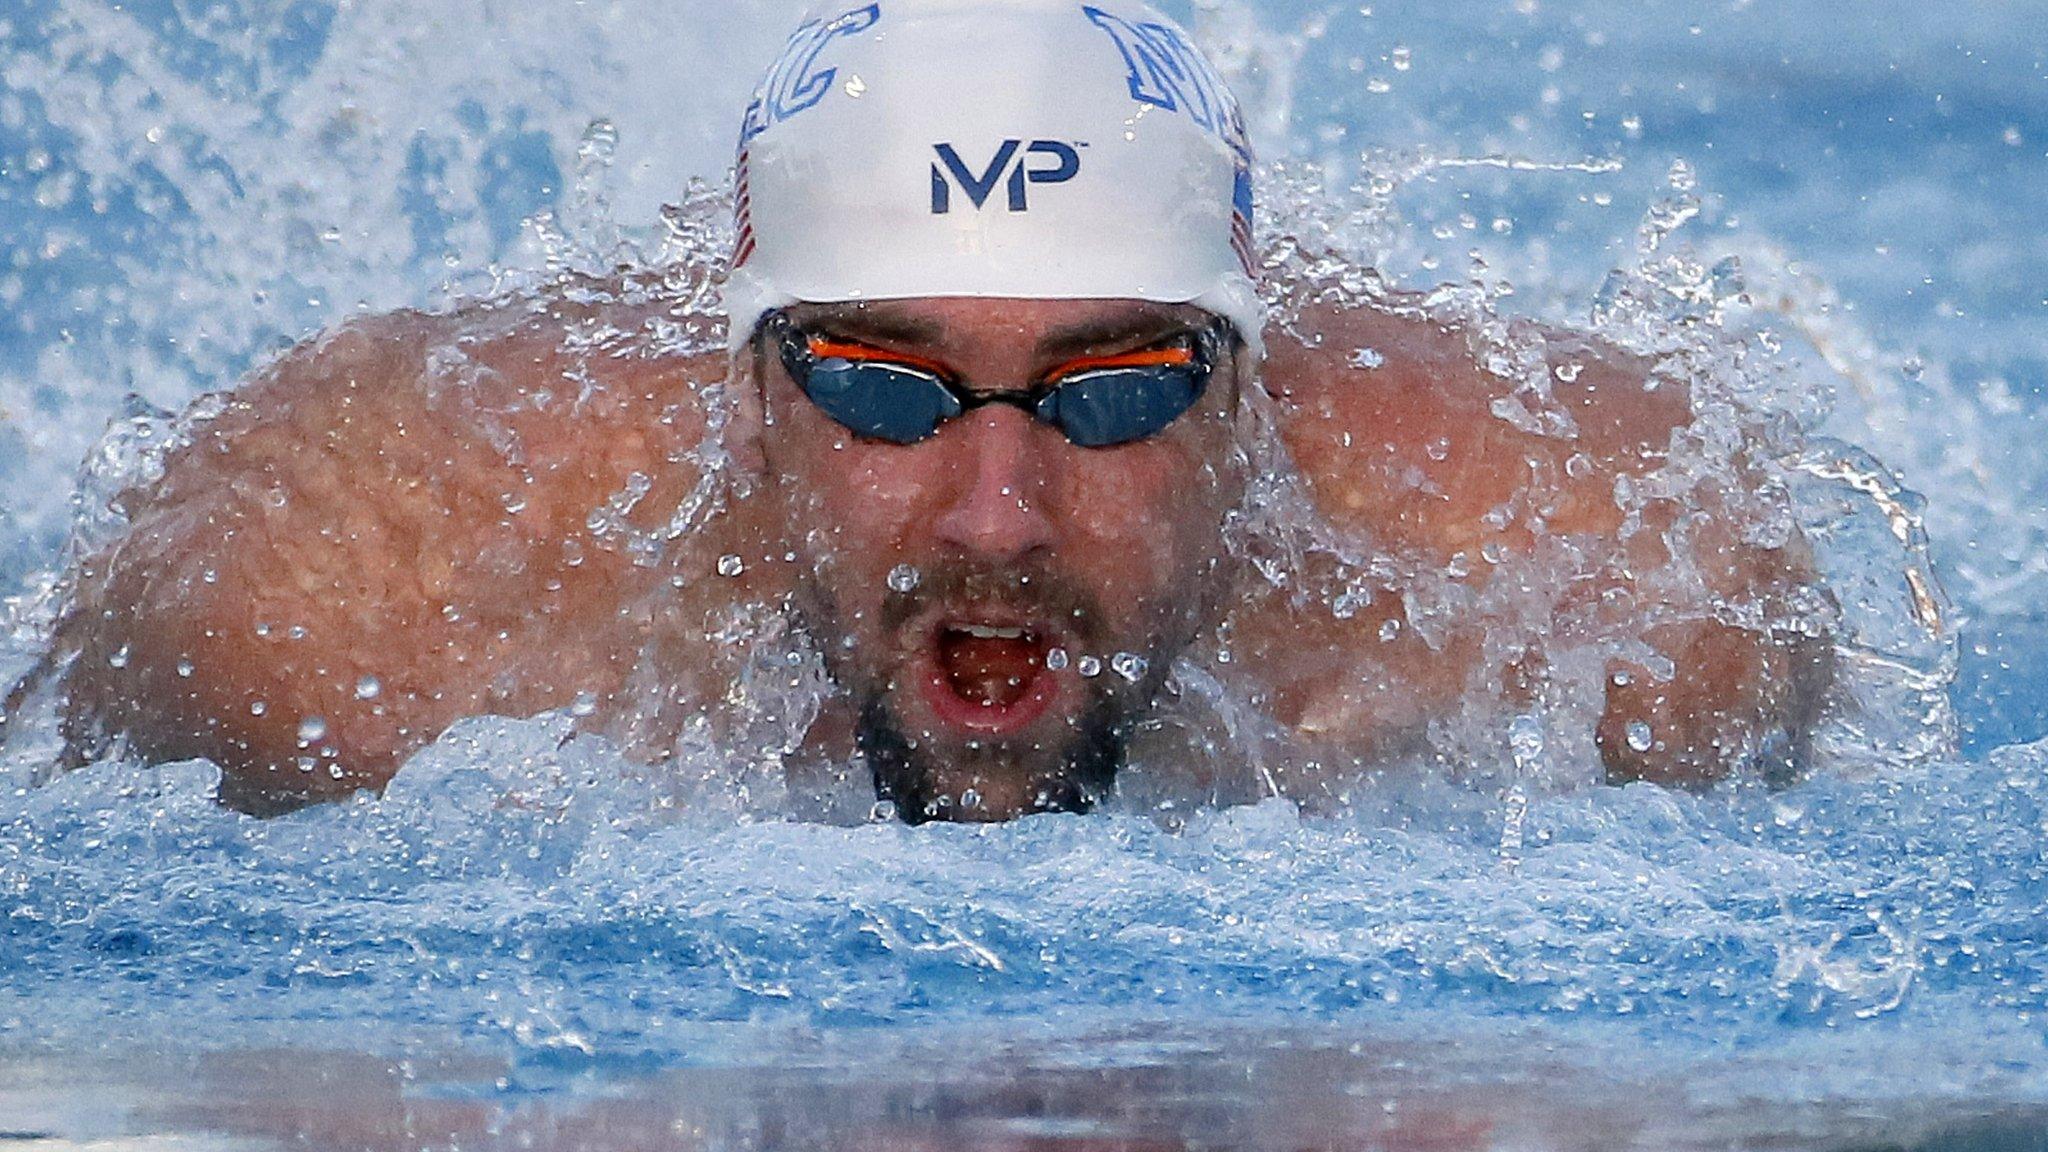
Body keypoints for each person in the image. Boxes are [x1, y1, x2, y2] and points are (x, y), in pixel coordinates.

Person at [2, 0, 1828, 821]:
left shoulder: (1617, 588)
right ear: (747, 394)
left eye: (1116, 389)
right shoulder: (346, 598)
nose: (997, 516)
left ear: (1254, 402)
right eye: (881, 385)